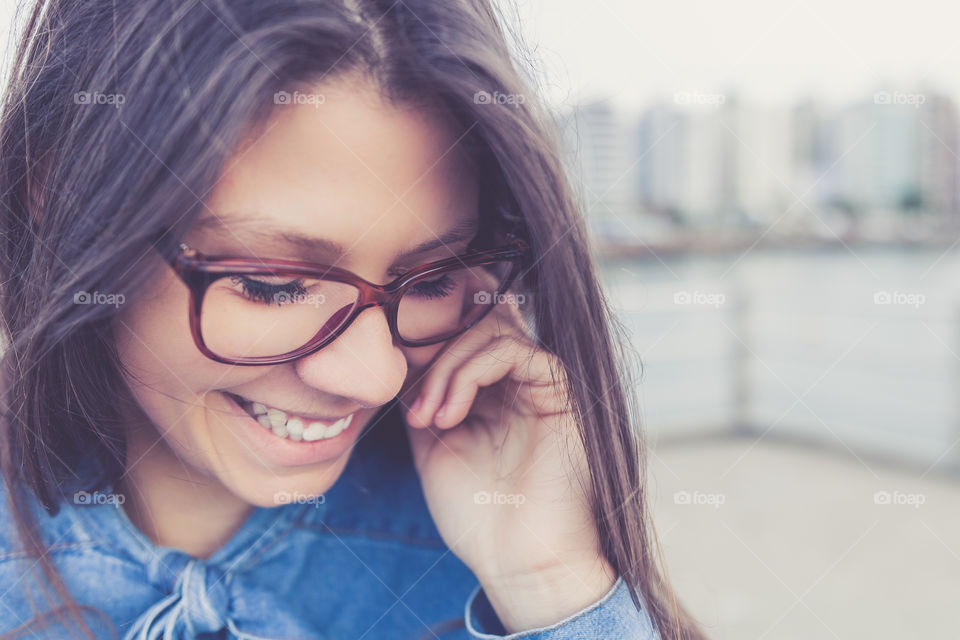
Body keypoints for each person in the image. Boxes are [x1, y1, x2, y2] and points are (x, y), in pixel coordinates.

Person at [0, 1, 707, 638]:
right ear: (64, 201)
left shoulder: (493, 538)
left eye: (431, 279)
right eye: (272, 285)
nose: (376, 375)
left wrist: (553, 586)